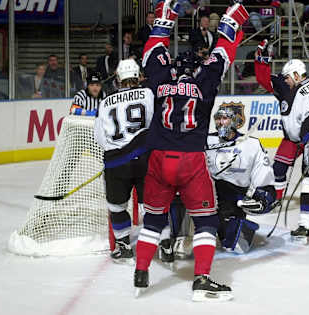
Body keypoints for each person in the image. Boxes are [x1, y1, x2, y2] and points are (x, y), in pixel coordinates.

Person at [136, 0, 249, 301]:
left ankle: (141, 270)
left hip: (159, 157)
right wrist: (229, 26)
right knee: (207, 220)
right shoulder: (204, 80)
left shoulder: (160, 79)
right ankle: (201, 279)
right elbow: (223, 54)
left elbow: (152, 49)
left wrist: (165, 19)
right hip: (191, 159)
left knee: (153, 220)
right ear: (195, 69)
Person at [254, 40, 309, 246]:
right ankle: (276, 199)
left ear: (296, 74)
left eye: (287, 76)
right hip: (292, 139)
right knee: (278, 167)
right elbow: (263, 78)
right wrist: (262, 61)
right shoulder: (289, 85)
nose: (284, 80)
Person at [94, 59, 154, 263]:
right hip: (145, 158)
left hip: (116, 162)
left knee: (117, 206)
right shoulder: (148, 93)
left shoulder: (104, 102)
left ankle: (123, 245)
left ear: (118, 78)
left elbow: (100, 137)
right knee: (153, 205)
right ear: (138, 76)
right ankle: (161, 243)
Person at [206, 107, 277, 253]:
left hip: (233, 199)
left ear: (235, 122)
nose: (220, 123)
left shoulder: (251, 144)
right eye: (218, 119)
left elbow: (263, 174)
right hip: (206, 194)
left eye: (225, 119)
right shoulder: (206, 141)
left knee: (234, 246)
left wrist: (264, 197)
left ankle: (239, 225)